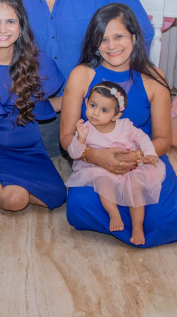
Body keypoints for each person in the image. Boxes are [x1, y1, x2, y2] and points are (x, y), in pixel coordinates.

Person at [16, 0, 155, 158]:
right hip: (48, 108)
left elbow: (143, 30)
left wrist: (121, 83)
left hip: (100, 106)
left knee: (111, 170)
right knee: (43, 166)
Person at [61, 3, 175, 248]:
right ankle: (126, 217)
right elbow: (67, 136)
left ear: (134, 37)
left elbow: (163, 139)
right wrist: (97, 156)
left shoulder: (154, 79)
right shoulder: (81, 75)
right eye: (103, 39)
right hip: (93, 161)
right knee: (79, 208)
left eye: (119, 36)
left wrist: (133, 157)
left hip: (144, 158)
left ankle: (138, 221)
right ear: (95, 44)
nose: (111, 46)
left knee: (163, 221)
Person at [0, 0, 67, 211]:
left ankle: (14, 185)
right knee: (16, 200)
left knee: (58, 195)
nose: (3, 29)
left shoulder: (36, 62)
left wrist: (79, 98)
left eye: (10, 21)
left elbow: (43, 107)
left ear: (21, 27)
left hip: (30, 149)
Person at [65, 81, 165, 246]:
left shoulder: (125, 126)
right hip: (101, 168)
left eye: (104, 110)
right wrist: (80, 139)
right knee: (101, 181)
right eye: (92, 105)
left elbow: (142, 138)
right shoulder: (86, 129)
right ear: (86, 102)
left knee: (135, 190)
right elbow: (74, 154)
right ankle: (114, 213)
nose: (95, 113)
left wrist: (149, 153)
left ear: (116, 115)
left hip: (130, 167)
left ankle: (137, 227)